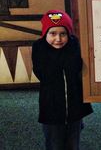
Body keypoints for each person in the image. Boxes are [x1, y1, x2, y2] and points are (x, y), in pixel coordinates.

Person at [32, 9, 93, 150]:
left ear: (68, 34)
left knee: (73, 144)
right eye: (52, 33)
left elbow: (76, 68)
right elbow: (42, 73)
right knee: (55, 144)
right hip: (51, 109)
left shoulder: (73, 45)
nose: (58, 39)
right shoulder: (39, 48)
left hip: (74, 108)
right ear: (45, 34)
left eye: (63, 34)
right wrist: (56, 54)